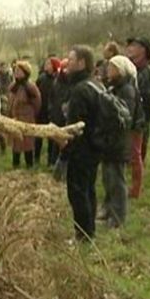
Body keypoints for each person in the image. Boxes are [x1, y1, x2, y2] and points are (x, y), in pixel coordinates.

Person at [63, 46, 100, 241]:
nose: (66, 64)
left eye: (70, 60)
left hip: (82, 149)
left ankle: (83, 235)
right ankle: (89, 229)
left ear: (82, 63)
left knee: (77, 193)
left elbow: (74, 126)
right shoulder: (95, 84)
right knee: (89, 189)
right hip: (96, 146)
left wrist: (65, 149)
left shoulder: (80, 90)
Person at [99, 55, 140, 228]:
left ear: (121, 70)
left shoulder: (127, 90)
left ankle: (118, 217)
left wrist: (107, 102)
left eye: (112, 67)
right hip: (108, 140)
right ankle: (107, 209)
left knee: (117, 180)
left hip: (118, 141)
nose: (108, 70)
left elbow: (124, 116)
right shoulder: (113, 87)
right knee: (107, 178)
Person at [126, 37, 150, 164]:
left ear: (143, 50)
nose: (130, 48)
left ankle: (138, 165)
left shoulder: (147, 73)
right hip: (130, 114)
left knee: (139, 144)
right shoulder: (131, 69)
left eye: (134, 46)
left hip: (140, 116)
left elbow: (146, 99)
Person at [9, 61, 41, 168]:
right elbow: (11, 101)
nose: (16, 73)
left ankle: (29, 165)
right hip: (15, 119)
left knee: (27, 143)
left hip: (27, 119)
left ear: (25, 72)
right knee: (16, 143)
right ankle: (15, 165)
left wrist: (30, 115)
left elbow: (37, 103)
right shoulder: (14, 86)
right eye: (15, 70)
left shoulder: (30, 87)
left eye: (19, 70)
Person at [34, 57, 60, 166]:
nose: (46, 65)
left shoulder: (58, 79)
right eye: (46, 63)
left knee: (51, 138)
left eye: (49, 64)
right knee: (38, 135)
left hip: (52, 112)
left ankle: (51, 160)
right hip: (41, 110)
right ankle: (36, 158)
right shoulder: (41, 78)